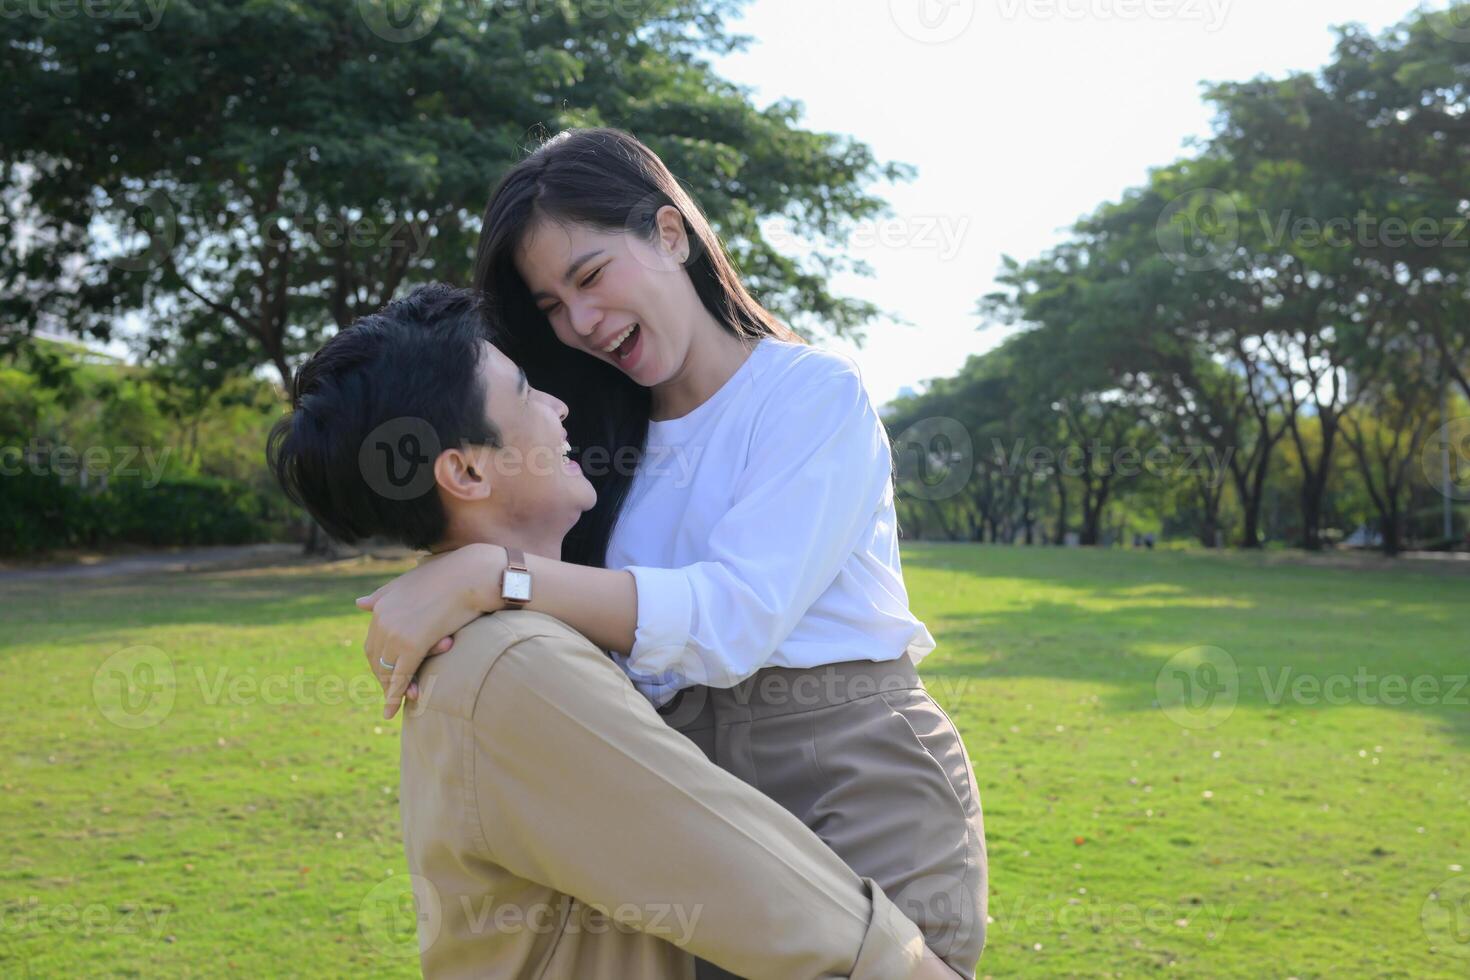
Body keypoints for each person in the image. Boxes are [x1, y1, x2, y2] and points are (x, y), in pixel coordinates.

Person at [357, 128, 985, 976]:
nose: (580, 322)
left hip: (847, 770)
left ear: (669, 233)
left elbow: (733, 618)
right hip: (695, 814)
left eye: (589, 276)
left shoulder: (808, 393)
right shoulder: (595, 445)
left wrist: (489, 578)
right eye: (549, 306)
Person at [267, 284, 962, 979]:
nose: (558, 405)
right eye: (526, 391)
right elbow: (734, 867)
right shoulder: (519, 665)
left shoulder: (502, 634)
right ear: (468, 470)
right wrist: (911, 968)